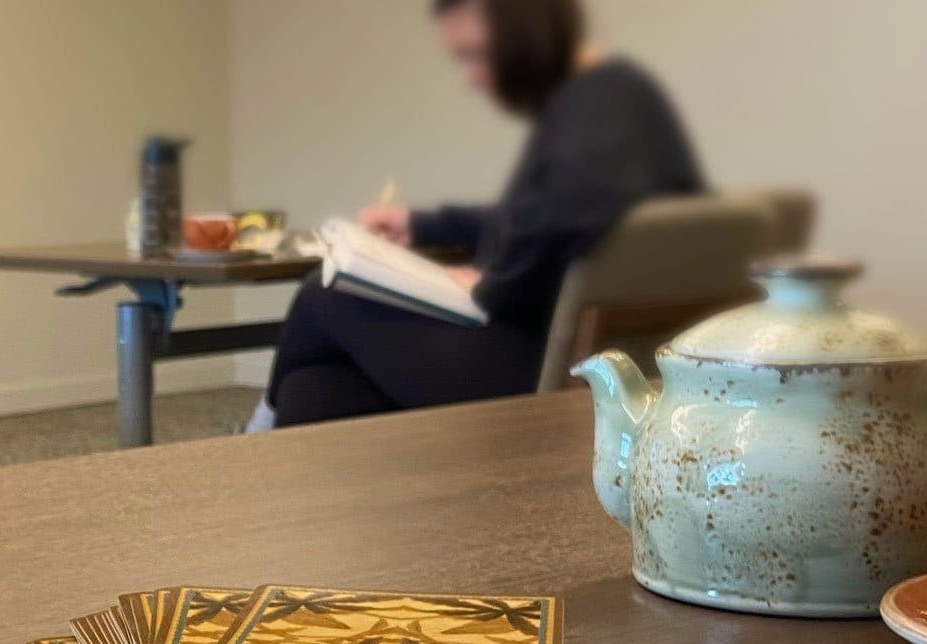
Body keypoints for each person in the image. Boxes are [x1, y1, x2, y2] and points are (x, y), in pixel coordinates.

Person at [255, 0, 703, 429]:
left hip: (538, 367)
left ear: (523, 36)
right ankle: (269, 461)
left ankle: (251, 438)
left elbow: (556, 224)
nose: (472, 79)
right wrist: (425, 225)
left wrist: (486, 283)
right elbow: (534, 215)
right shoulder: (619, 96)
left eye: (475, 55)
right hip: (578, 353)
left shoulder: (592, 114)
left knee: (323, 293)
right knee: (315, 389)